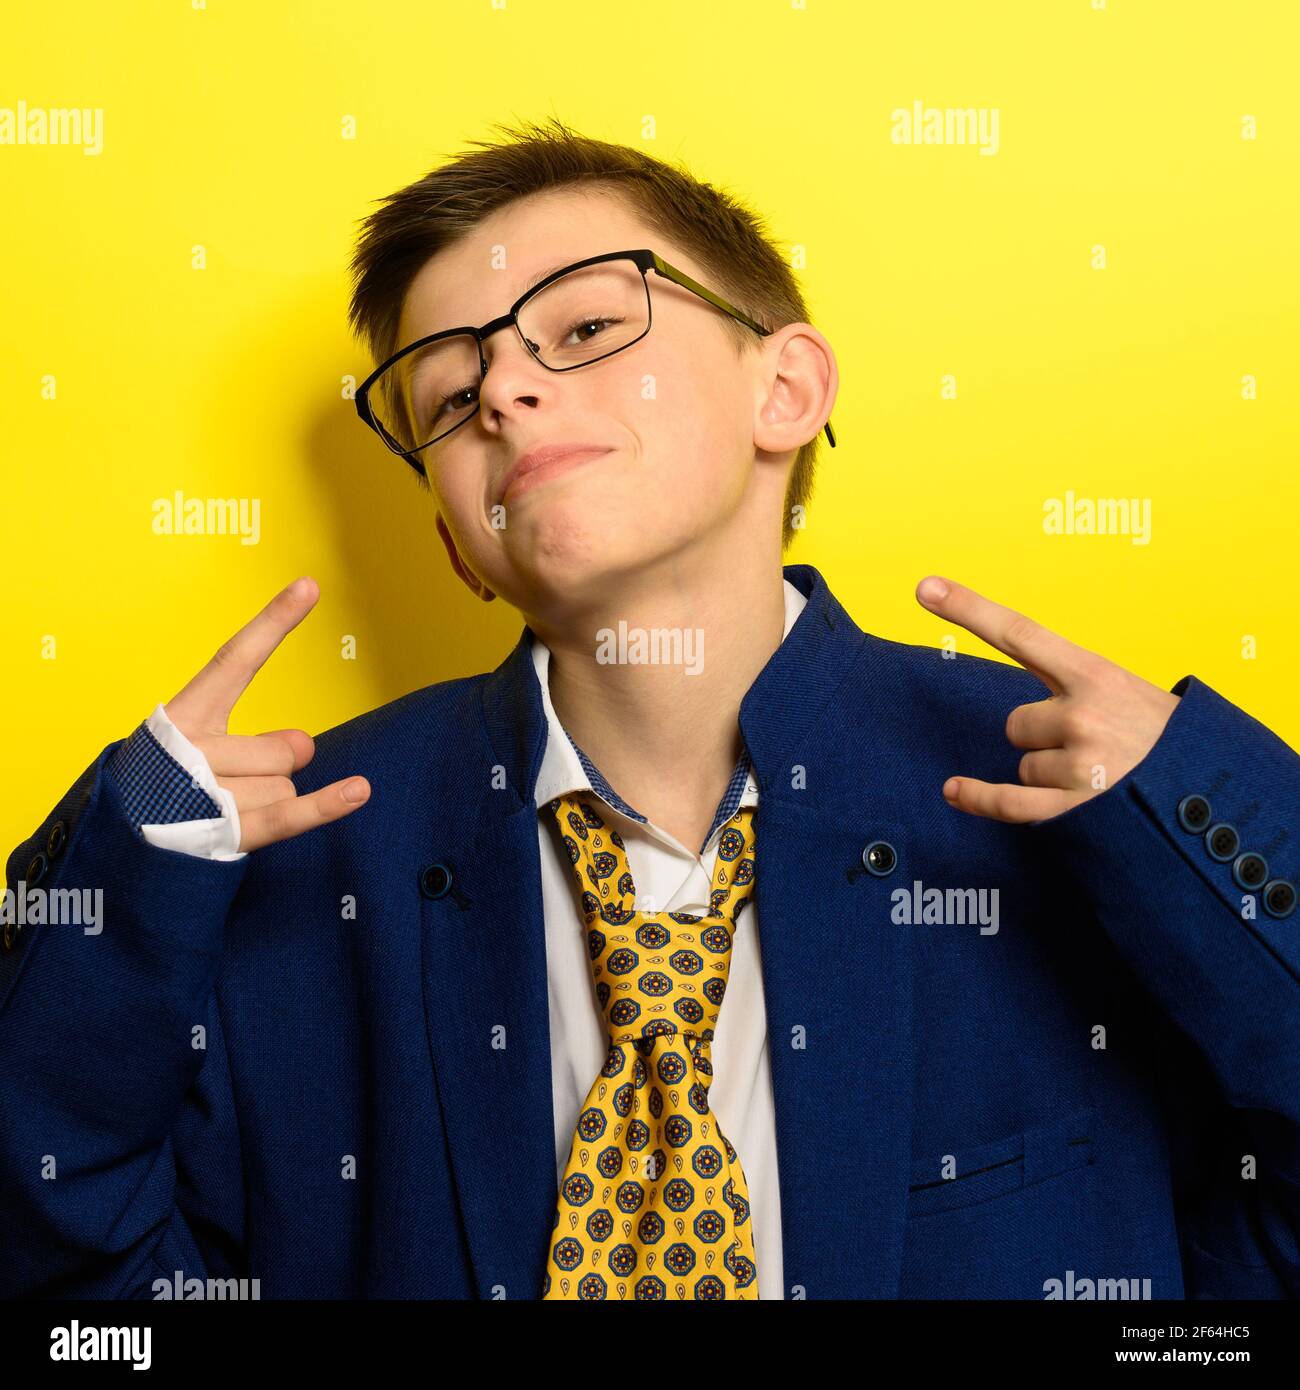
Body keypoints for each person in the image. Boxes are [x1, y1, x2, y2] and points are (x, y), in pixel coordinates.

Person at [2, 119, 1297, 1302]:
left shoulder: (1083, 812)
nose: (506, 391)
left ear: (784, 391)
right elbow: (77, 1293)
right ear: (459, 541)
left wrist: (1211, 816)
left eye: (580, 331)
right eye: (450, 399)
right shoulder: (284, 867)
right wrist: (131, 870)